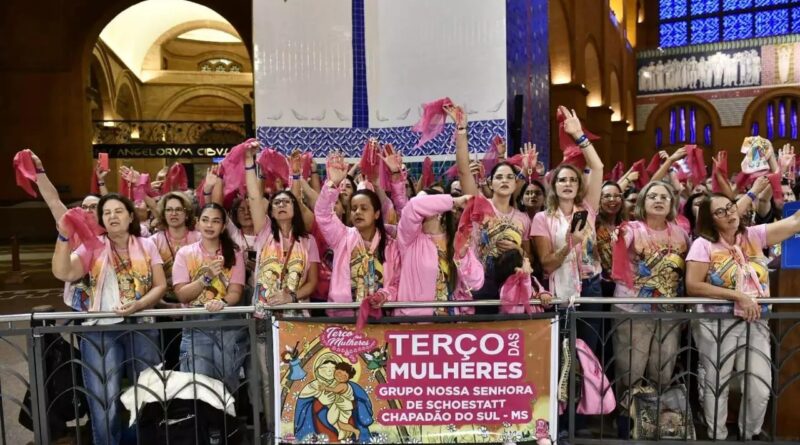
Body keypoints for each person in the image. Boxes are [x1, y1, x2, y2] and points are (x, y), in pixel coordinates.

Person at [52, 193, 166, 445]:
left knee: (149, 394)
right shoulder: (92, 246)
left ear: (130, 216)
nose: (112, 216)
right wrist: (63, 237)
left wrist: (139, 305)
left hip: (142, 326)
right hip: (100, 329)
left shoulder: (147, 245)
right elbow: (64, 272)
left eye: (118, 211)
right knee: (103, 399)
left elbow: (160, 285)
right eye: (106, 212)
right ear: (101, 219)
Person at [686, 194, 800, 440]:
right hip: (716, 323)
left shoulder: (754, 235)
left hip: (755, 321)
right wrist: (738, 296)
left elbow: (795, 222)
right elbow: (693, 285)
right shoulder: (703, 244)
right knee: (718, 384)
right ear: (710, 220)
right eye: (720, 212)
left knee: (760, 386)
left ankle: (749, 435)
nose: (729, 213)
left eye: (730, 207)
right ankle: (717, 436)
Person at [610, 181, 690, 438]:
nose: (658, 200)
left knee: (663, 369)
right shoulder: (631, 229)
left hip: (669, 312)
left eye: (664, 197)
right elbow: (619, 249)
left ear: (672, 204)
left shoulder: (681, 234)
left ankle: (654, 423)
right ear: (643, 202)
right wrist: (618, 238)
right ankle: (626, 422)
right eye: (652, 196)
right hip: (632, 310)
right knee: (630, 369)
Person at [445, 103, 532, 315]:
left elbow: (528, 255)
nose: (505, 180)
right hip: (481, 283)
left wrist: (520, 253)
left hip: (513, 287)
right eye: (499, 177)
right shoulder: (480, 206)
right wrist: (461, 130)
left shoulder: (523, 218)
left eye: (509, 177)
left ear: (516, 184)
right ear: (490, 183)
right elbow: (464, 172)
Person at [314, 152, 399, 316]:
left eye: (364, 208)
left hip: (381, 319)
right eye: (354, 209)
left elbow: (397, 282)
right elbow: (323, 214)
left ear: (376, 214)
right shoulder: (342, 236)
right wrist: (333, 183)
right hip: (343, 318)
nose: (358, 212)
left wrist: (384, 295)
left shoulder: (390, 244)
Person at [172, 203, 245, 393]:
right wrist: (207, 277)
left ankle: (227, 414)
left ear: (223, 226)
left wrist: (221, 302)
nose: (209, 225)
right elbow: (182, 294)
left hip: (227, 323)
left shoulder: (234, 253)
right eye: (205, 220)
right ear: (197, 223)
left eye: (215, 221)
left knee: (226, 383)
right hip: (196, 323)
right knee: (198, 385)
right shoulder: (185, 253)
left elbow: (236, 292)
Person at [394, 191, 481, 316]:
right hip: (417, 321)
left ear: (439, 210)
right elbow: (413, 205)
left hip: (453, 320)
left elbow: (476, 283)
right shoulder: (409, 240)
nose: (423, 206)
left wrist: (462, 257)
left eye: (427, 202)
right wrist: (455, 201)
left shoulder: (455, 240)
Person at [295, 353, 373, 442]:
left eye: (332, 368)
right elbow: (302, 408)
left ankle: (348, 433)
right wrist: (318, 402)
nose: (328, 372)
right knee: (331, 419)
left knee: (339, 421)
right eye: (324, 368)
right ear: (317, 369)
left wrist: (351, 403)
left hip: (344, 413)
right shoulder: (311, 387)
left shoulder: (348, 385)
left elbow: (362, 402)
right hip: (320, 426)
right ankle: (340, 431)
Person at [596, 181, 627, 297]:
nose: (612, 199)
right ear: (599, 199)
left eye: (617, 196)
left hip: (624, 286)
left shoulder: (628, 226)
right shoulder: (592, 224)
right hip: (598, 285)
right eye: (607, 196)